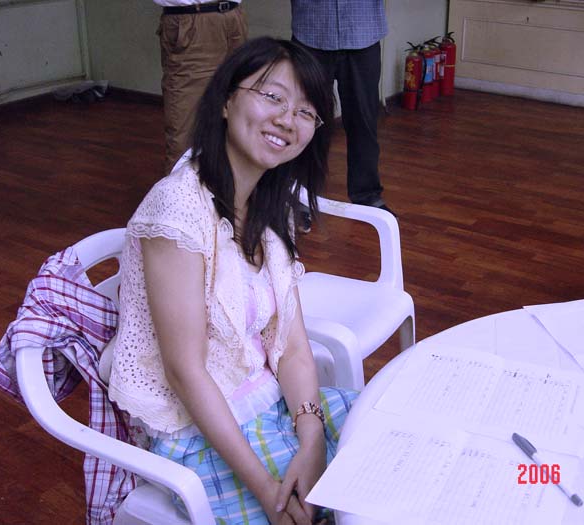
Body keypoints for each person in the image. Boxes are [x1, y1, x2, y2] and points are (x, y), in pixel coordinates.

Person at [108, 37, 357, 525]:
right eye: (273, 97)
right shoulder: (179, 209)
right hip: (200, 434)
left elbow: (293, 347)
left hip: (273, 406)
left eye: (306, 112)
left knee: (391, 446)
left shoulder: (270, 208)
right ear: (226, 100)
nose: (287, 119)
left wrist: (311, 439)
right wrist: (267, 490)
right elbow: (185, 372)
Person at [290, 0, 394, 228]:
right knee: (305, 121)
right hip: (312, 30)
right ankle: (302, 196)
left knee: (363, 121)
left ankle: (367, 195)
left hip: (363, 33)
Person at [154, 0, 248, 174]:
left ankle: (224, 190)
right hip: (191, 19)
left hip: (233, 17)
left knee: (238, 125)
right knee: (185, 136)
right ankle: (180, 192)